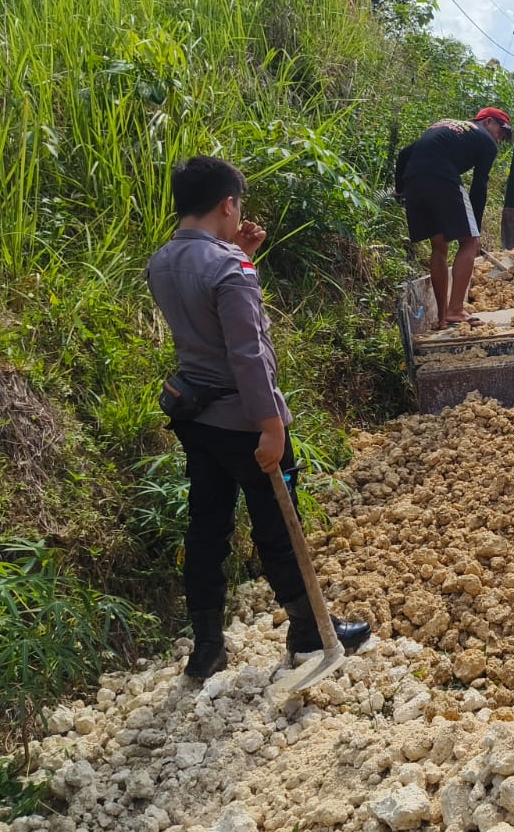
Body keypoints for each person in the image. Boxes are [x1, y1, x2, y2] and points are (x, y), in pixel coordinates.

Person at [146, 156, 371, 680]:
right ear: (228, 204)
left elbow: (205, 325)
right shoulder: (230, 268)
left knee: (207, 529)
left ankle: (206, 647)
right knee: (278, 526)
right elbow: (249, 353)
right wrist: (272, 427)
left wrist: (241, 254)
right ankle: (309, 630)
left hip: (196, 420)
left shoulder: (162, 260)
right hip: (246, 421)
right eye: (238, 207)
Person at [395, 107, 513, 327]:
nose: (500, 139)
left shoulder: (446, 125)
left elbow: (404, 154)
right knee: (469, 243)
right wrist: (475, 232)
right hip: (442, 178)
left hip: (413, 181)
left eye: (504, 138)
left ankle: (442, 317)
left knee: (439, 247)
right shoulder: (485, 140)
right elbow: (480, 185)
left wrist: (399, 190)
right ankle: (456, 310)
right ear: (488, 122)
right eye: (501, 132)